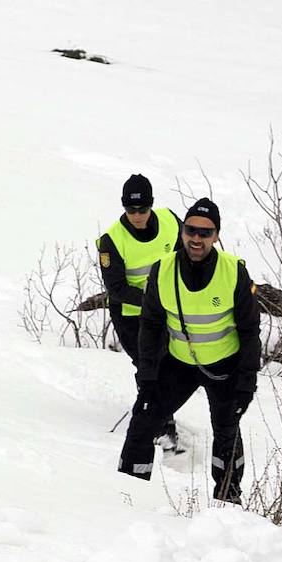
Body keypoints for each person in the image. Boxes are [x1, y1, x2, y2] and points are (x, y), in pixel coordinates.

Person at [116, 197, 261, 504]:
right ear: (182, 232)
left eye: (205, 233)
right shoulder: (163, 270)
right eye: (191, 230)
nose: (197, 238)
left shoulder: (233, 271)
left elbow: (250, 332)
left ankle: (227, 501)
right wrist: (148, 374)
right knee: (142, 424)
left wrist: (247, 382)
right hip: (178, 365)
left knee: (226, 431)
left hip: (224, 366)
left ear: (217, 236)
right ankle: (128, 498)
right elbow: (151, 325)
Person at [97, 173, 181, 448]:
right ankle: (158, 425)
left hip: (166, 311)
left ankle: (161, 417)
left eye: (142, 209)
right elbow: (117, 288)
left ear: (151, 205)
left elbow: (190, 255)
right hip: (131, 316)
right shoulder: (112, 240)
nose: (136, 215)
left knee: (169, 364)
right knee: (150, 365)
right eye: (130, 210)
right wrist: (155, 299)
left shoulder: (170, 221)